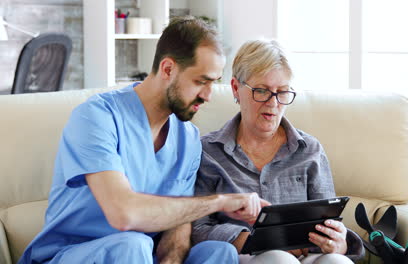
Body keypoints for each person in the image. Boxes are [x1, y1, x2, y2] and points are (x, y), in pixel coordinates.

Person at [19, 17, 269, 264]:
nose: (208, 95)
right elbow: (123, 215)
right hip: (73, 255)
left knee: (219, 252)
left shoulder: (188, 138)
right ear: (168, 69)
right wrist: (219, 202)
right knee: (132, 244)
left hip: (142, 256)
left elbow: (178, 223)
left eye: (212, 83)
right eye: (200, 82)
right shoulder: (97, 117)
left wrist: (170, 260)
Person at [191, 39, 365, 263]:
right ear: (236, 88)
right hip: (244, 256)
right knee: (279, 259)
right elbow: (198, 228)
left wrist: (338, 243)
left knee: (336, 261)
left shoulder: (309, 150)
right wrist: (253, 240)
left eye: (282, 92)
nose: (273, 103)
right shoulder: (209, 152)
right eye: (261, 91)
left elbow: (330, 221)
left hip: (307, 256)